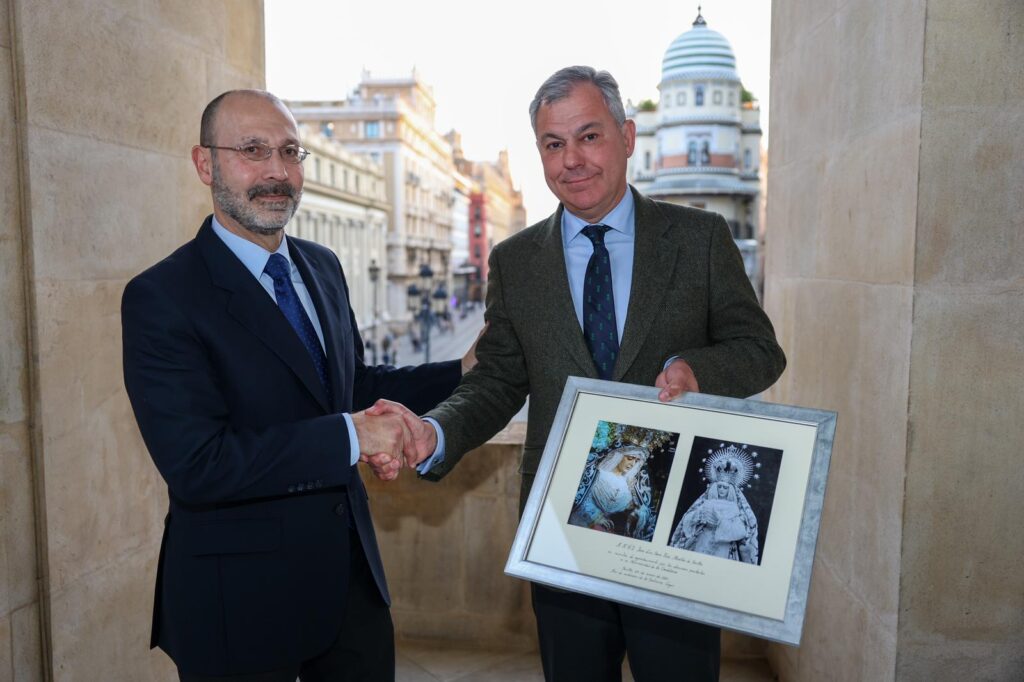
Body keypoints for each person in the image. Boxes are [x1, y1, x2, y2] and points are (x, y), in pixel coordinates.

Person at [369, 66, 785, 681]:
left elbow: (760, 350)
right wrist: (437, 430)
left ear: (627, 136)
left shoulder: (699, 238)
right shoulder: (515, 262)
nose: (572, 161)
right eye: (553, 144)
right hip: (563, 522)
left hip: (676, 527)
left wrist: (692, 368)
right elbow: (498, 380)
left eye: (588, 137)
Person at [121, 89, 470, 681]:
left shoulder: (322, 265)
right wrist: (352, 439)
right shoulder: (161, 297)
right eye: (253, 151)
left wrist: (462, 370)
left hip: (350, 588)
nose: (277, 172)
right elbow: (199, 464)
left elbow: (352, 384)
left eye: (289, 151)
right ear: (205, 164)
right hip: (239, 606)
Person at [568, 444, 654, 539]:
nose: (633, 464)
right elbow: (580, 497)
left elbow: (624, 509)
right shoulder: (597, 474)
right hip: (582, 522)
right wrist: (596, 516)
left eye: (636, 461)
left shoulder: (628, 485)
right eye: (630, 458)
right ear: (619, 456)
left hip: (606, 528)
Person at [670, 482, 759, 563]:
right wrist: (698, 516)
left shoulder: (733, 508)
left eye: (725, 488)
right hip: (704, 539)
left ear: (730, 490)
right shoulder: (707, 503)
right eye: (719, 487)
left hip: (723, 544)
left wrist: (721, 521)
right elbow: (688, 519)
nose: (722, 490)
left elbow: (740, 531)